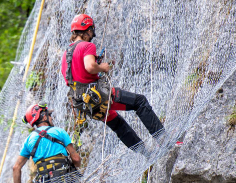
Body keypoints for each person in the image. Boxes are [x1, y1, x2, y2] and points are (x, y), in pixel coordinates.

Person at [61, 13, 165, 151]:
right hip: (98, 95)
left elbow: (71, 77)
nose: (92, 34)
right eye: (91, 30)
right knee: (139, 102)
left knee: (116, 123)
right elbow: (90, 66)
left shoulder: (66, 54)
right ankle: (163, 139)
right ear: (88, 29)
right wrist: (102, 67)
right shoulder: (87, 46)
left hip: (84, 103)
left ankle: (146, 153)